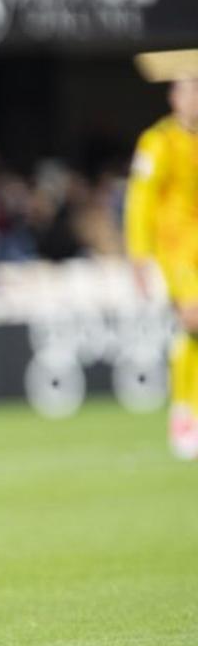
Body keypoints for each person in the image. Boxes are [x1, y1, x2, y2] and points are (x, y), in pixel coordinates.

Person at [125, 50, 198, 459]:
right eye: (188, 92)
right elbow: (140, 202)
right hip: (177, 250)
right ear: (174, 98)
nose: (194, 100)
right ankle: (185, 414)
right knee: (193, 318)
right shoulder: (157, 142)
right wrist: (139, 256)